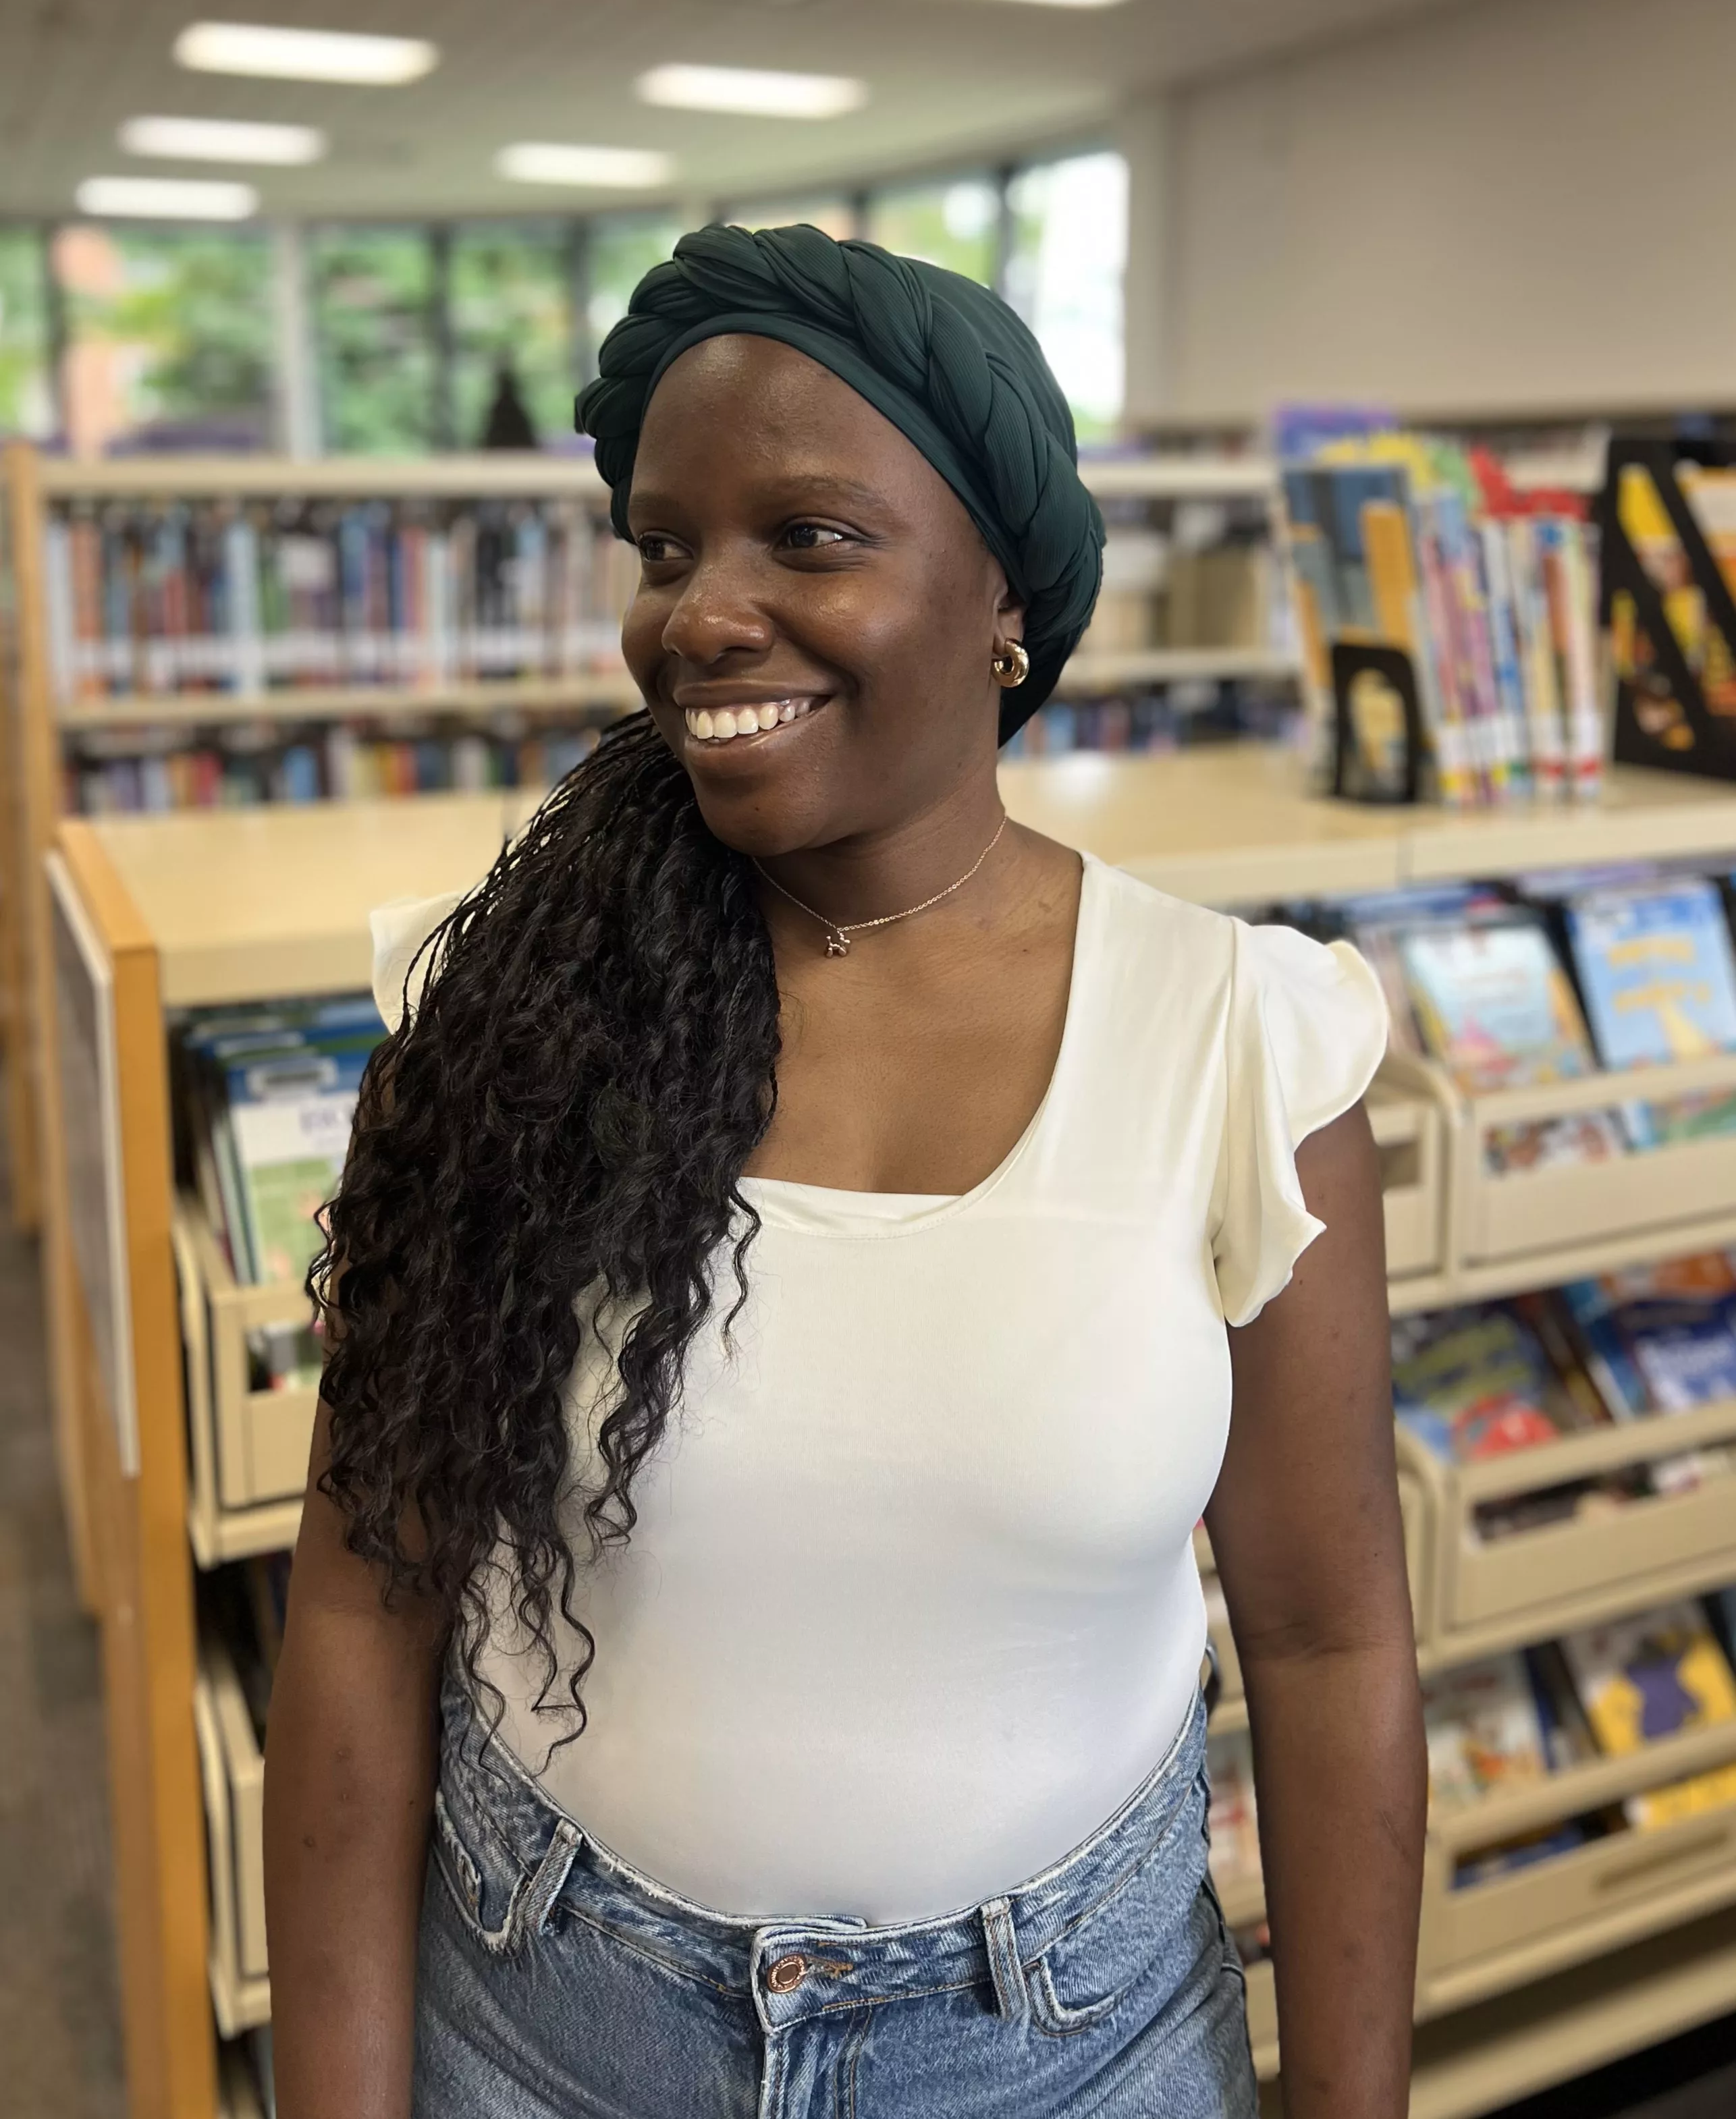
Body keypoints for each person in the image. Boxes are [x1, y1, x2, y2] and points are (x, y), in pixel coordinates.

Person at [264, 224, 1426, 2119]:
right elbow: (363, 1605)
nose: (699, 613)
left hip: (1075, 2050)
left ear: (1003, 601)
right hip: (547, 2027)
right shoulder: (499, 1017)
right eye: (662, 545)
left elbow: (1325, 1635)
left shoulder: (1236, 1039)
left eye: (807, 537)